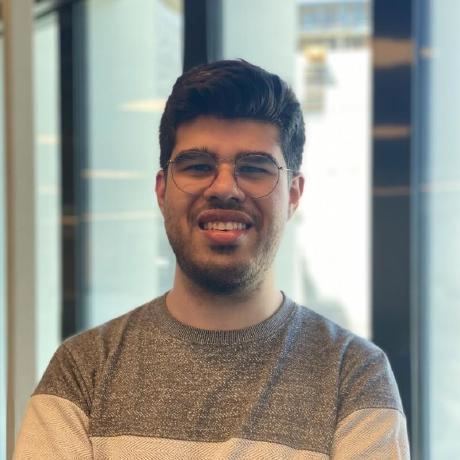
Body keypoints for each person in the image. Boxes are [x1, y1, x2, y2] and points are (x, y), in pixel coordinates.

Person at [14, 60, 410, 459]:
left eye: (253, 168)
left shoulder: (353, 376)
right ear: (162, 191)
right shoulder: (83, 371)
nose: (224, 188)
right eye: (198, 166)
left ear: (293, 194)